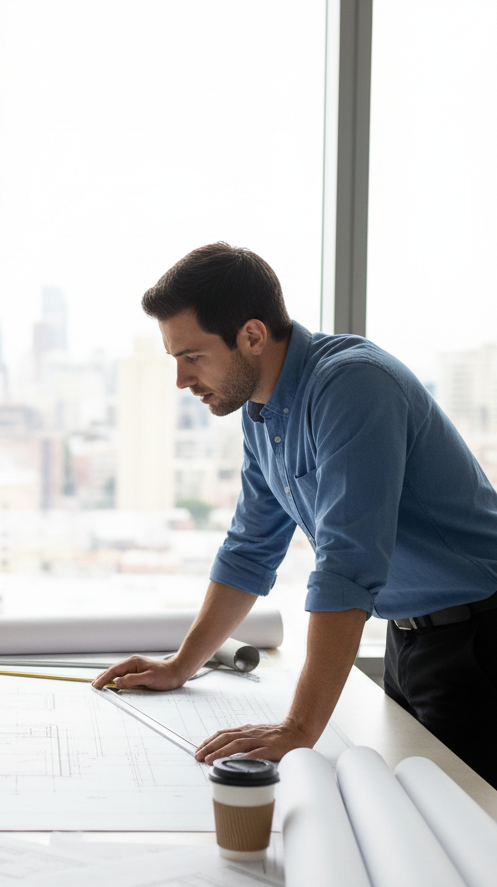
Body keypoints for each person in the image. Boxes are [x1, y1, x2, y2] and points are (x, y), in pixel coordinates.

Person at [93, 243, 497, 784]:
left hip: (480, 640)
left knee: (473, 835)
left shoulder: (353, 385)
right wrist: (180, 665)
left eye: (192, 356)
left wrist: (298, 729)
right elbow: (249, 549)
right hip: (410, 640)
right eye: (175, 360)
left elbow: (347, 565)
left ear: (252, 337)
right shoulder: (260, 412)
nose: (182, 380)